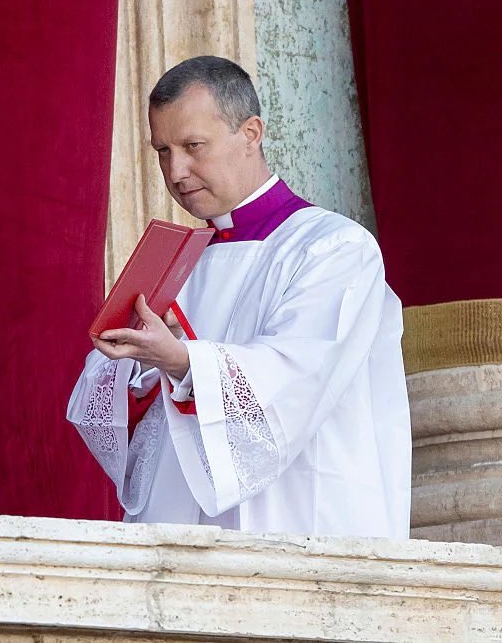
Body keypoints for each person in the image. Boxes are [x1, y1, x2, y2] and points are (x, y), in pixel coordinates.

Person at [67, 56, 410, 538]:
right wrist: (142, 363)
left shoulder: (333, 247)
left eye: (193, 146)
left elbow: (296, 378)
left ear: (250, 134)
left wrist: (185, 363)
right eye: (162, 151)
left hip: (294, 520)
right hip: (176, 531)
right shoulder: (173, 259)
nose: (177, 170)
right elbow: (102, 403)